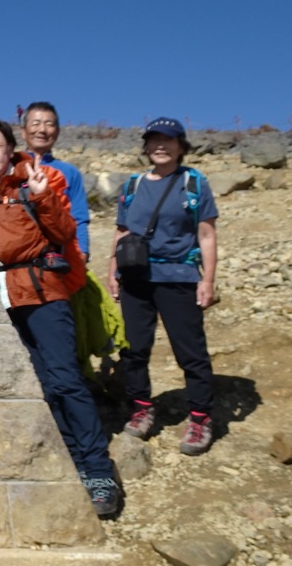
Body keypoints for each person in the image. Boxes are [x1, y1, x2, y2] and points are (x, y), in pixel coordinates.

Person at [0, 118, 120, 517]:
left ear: (10, 148)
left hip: (43, 294)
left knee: (66, 380)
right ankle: (75, 463)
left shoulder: (30, 184)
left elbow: (64, 232)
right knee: (43, 385)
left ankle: (99, 470)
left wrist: (44, 196)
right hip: (4, 303)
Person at [107, 117, 218, 456]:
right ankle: (141, 407)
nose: (160, 145)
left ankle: (200, 417)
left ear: (181, 146)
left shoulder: (193, 183)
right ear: (146, 146)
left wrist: (208, 280)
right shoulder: (134, 185)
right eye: (154, 139)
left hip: (179, 278)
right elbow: (122, 232)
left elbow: (206, 234)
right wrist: (112, 272)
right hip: (136, 279)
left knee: (190, 351)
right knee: (134, 348)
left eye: (168, 140)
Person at [21, 101, 92, 261]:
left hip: (60, 255)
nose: (42, 130)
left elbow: (79, 217)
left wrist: (83, 251)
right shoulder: (10, 167)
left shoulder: (70, 172)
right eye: (36, 123)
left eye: (49, 124)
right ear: (23, 131)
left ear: (57, 132)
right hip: (19, 256)